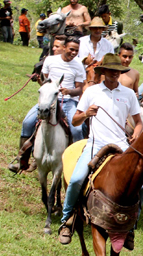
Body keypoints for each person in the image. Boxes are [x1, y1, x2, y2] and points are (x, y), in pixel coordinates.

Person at [58, 54, 143, 246]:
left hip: (121, 144)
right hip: (96, 143)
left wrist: (137, 134)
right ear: (103, 71)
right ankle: (67, 220)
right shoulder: (92, 91)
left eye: (117, 71)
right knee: (76, 179)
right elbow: (75, 120)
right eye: (111, 71)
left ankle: (131, 227)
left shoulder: (128, 94)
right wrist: (87, 113)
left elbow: (138, 122)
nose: (115, 74)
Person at [7, 36, 85, 173]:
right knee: (27, 122)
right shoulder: (50, 60)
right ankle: (22, 161)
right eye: (71, 49)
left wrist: (69, 91)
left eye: (76, 51)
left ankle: (77, 163)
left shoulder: (79, 65)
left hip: (68, 101)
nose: (73, 53)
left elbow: (79, 88)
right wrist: (42, 85)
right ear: (64, 47)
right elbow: (43, 81)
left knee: (77, 129)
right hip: (48, 100)